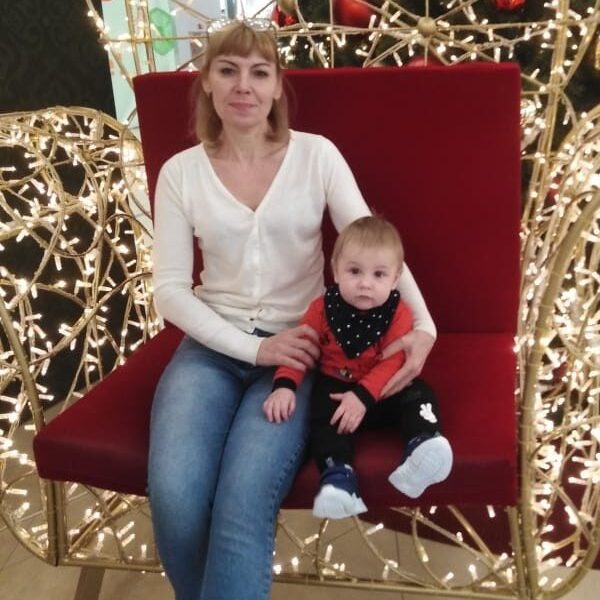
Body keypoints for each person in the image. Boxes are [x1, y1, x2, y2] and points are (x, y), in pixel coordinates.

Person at [147, 20, 437, 600]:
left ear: (278, 86)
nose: (244, 86)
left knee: (242, 500)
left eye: (260, 73)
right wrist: (254, 348)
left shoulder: (316, 155)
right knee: (176, 497)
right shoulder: (181, 172)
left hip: (302, 355)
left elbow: (373, 245)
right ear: (207, 82)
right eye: (228, 70)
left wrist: (424, 326)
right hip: (211, 348)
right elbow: (170, 291)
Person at [263, 216, 453, 519]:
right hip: (336, 391)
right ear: (335, 269)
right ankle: (339, 478)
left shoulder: (399, 314)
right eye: (354, 271)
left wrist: (363, 397)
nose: (365, 283)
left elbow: (394, 361)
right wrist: (284, 386)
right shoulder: (321, 309)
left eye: (379, 274)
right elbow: (300, 350)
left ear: (395, 279)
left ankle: (423, 444)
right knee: (321, 417)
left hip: (382, 391)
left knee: (419, 392)